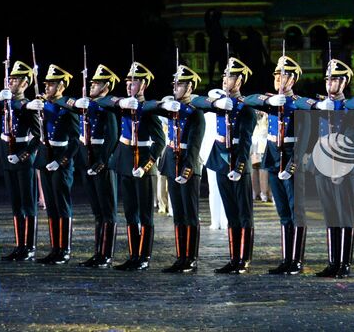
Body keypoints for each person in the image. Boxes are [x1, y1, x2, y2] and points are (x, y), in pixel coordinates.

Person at [247, 53, 311, 275]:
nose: (277, 79)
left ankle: (297, 260)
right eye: (276, 75)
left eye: (282, 76)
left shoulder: (300, 103)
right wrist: (269, 101)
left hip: (291, 157)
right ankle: (286, 259)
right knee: (283, 212)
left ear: (292, 80)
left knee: (296, 212)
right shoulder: (271, 101)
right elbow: (248, 99)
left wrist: (292, 164)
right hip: (273, 158)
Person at [196, 55, 257, 274]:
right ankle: (233, 258)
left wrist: (239, 166)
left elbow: (247, 141)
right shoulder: (220, 104)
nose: (225, 80)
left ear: (239, 81)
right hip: (220, 160)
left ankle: (244, 259)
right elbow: (195, 102)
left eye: (230, 77)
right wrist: (216, 103)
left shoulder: (246, 108)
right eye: (224, 76)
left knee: (244, 214)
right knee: (231, 213)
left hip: (237, 162)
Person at [304, 57, 354, 278]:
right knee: (330, 215)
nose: (329, 84)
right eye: (327, 79)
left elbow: (352, 141)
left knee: (344, 215)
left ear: (344, 82)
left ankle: (344, 263)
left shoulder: (350, 109)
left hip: (341, 171)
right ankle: (333, 262)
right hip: (321, 167)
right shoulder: (320, 106)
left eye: (335, 80)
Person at [109, 60, 165, 270]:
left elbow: (160, 141)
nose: (128, 86)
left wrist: (147, 165)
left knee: (145, 215)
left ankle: (144, 257)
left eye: (133, 83)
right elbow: (105, 101)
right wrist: (122, 102)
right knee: (130, 212)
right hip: (124, 162)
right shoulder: (124, 106)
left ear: (143, 85)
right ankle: (133, 255)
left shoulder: (147, 110)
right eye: (127, 83)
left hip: (142, 166)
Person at [155, 63, 205, 273]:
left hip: (187, 164)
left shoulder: (195, 113)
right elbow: (149, 108)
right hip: (170, 163)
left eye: (180, 84)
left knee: (190, 214)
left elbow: (194, 144)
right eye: (175, 84)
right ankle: (180, 256)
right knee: (178, 214)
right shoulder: (172, 109)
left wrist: (187, 168)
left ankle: (191, 258)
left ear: (190, 87)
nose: (176, 88)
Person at [0, 60, 40, 262]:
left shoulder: (30, 106)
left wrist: (23, 155)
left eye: (15, 80)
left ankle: (29, 247)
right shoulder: (5, 102)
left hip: (23, 160)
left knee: (28, 204)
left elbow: (39, 137)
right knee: (16, 204)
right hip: (6, 157)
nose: (11, 82)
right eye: (9, 79)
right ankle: (20, 245)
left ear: (25, 84)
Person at [74, 62, 120, 268]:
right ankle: (97, 252)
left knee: (108, 211)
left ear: (106, 88)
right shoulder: (87, 108)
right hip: (88, 163)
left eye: (97, 84)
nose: (92, 86)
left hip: (103, 165)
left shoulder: (107, 108)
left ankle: (106, 254)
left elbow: (112, 138)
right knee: (97, 212)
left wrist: (102, 162)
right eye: (92, 83)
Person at [35, 64, 78, 265]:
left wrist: (61, 162)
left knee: (62, 205)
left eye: (52, 84)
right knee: (51, 206)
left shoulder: (67, 106)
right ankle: (55, 248)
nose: (47, 87)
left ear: (61, 86)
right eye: (47, 84)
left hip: (60, 158)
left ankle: (65, 249)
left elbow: (76, 140)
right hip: (45, 157)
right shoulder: (44, 104)